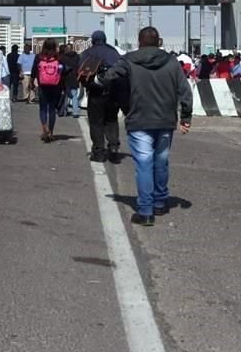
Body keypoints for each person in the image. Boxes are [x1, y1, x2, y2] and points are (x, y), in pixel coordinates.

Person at [85, 27, 193, 226]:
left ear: (139, 41)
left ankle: (146, 210)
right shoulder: (171, 61)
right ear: (159, 41)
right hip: (165, 120)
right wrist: (186, 117)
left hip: (139, 119)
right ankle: (160, 202)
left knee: (144, 163)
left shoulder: (129, 60)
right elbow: (185, 91)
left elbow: (109, 76)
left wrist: (95, 79)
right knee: (161, 162)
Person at [79, 30, 123, 162]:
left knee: (96, 123)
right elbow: (122, 71)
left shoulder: (87, 53)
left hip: (95, 94)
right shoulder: (113, 52)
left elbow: (80, 72)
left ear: (93, 40)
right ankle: (114, 147)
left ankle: (98, 152)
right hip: (112, 92)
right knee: (111, 120)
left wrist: (88, 86)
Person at [30, 39, 64, 142]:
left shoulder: (39, 57)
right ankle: (51, 131)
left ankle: (45, 127)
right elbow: (62, 70)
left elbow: (33, 71)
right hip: (55, 86)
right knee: (52, 109)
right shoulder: (58, 57)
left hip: (43, 86)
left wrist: (32, 82)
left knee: (43, 108)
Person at [60, 43, 81, 118]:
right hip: (74, 78)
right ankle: (75, 112)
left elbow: (60, 69)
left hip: (65, 78)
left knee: (65, 95)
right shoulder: (77, 57)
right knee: (74, 95)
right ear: (72, 48)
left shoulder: (62, 57)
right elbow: (80, 67)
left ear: (66, 49)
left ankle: (63, 111)